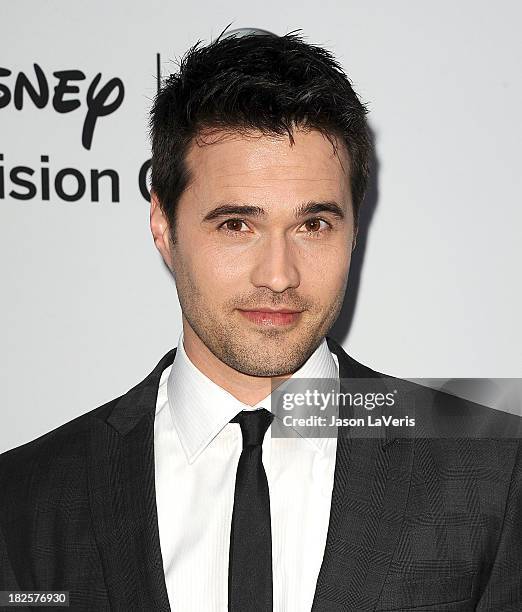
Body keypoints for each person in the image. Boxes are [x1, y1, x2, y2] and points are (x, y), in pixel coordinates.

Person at [1, 31, 520, 612]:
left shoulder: (492, 470)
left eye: (314, 225)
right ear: (163, 227)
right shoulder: (25, 499)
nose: (279, 275)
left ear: (354, 230)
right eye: (235, 225)